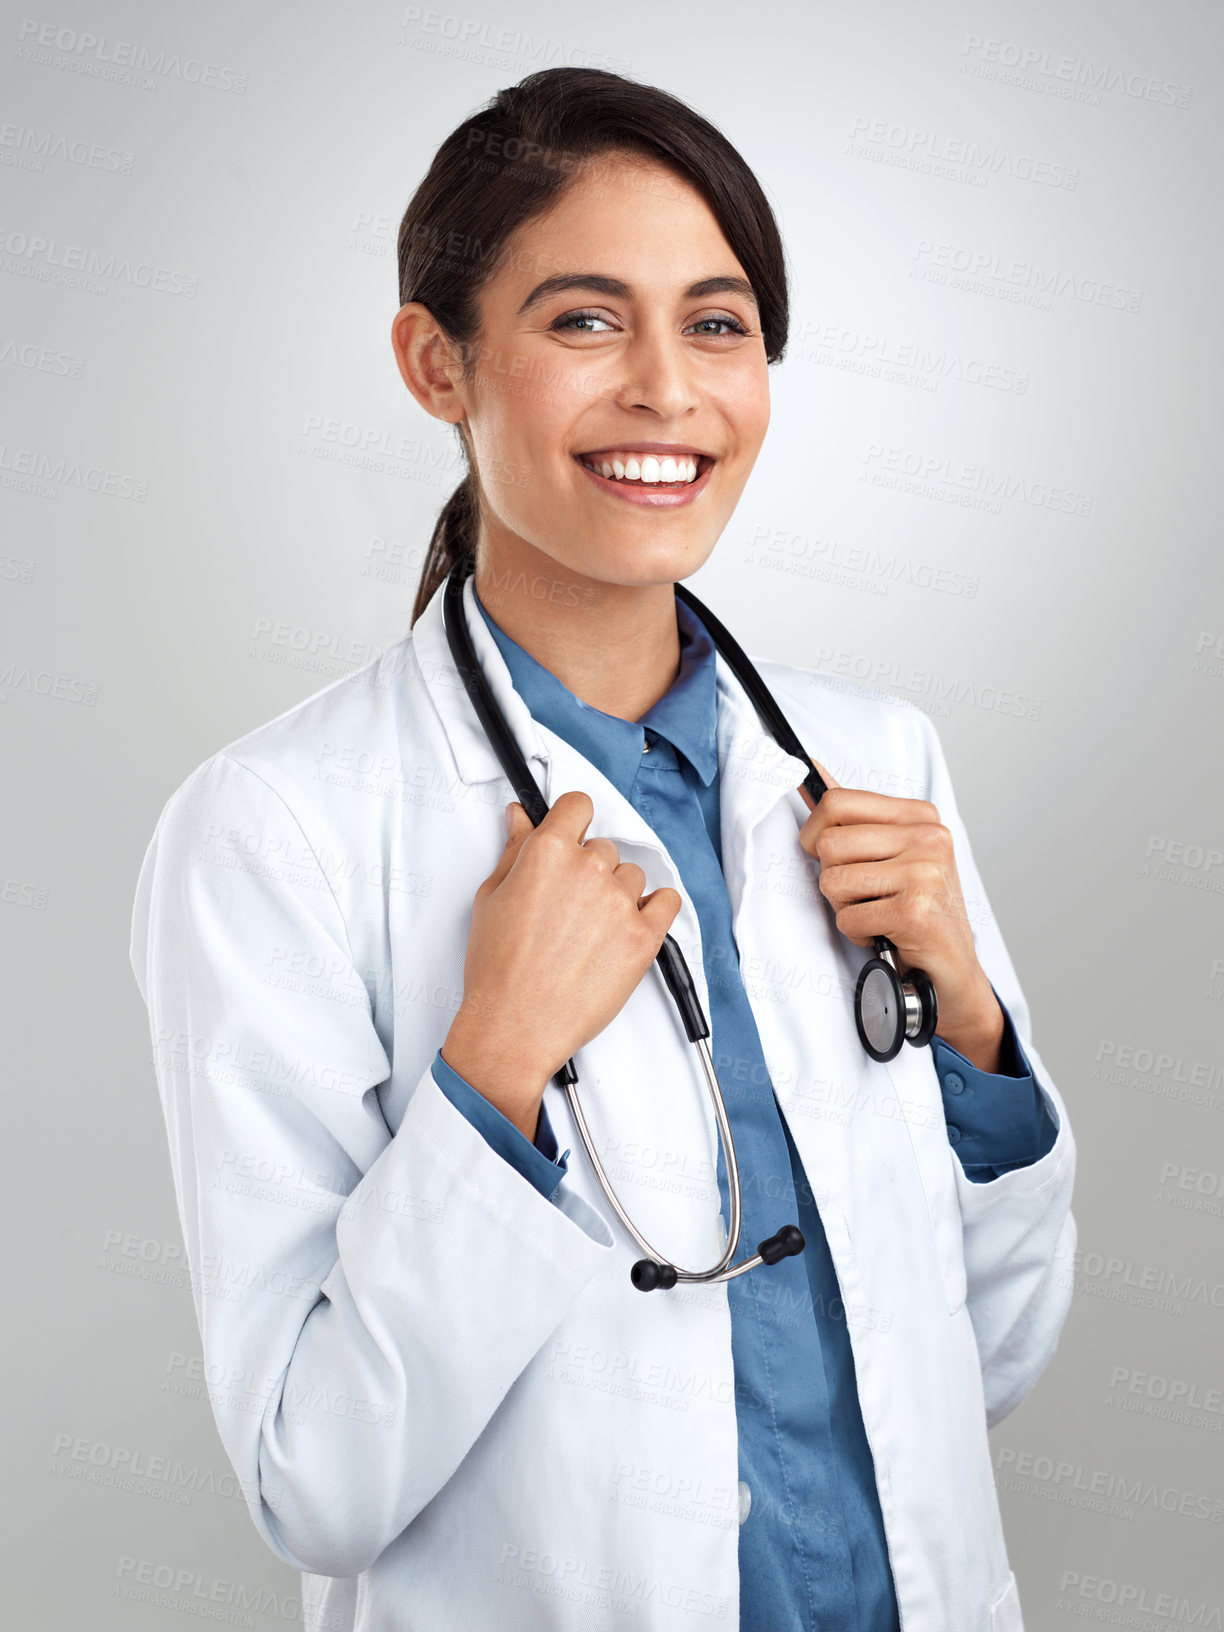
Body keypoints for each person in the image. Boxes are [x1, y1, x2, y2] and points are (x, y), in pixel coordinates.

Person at [129, 66, 1075, 1632]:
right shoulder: (275, 826)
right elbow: (316, 1484)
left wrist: (974, 1037)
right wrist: (492, 1067)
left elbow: (989, 1366)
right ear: (438, 365)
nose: (665, 390)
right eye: (583, 322)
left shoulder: (873, 763)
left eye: (716, 324)